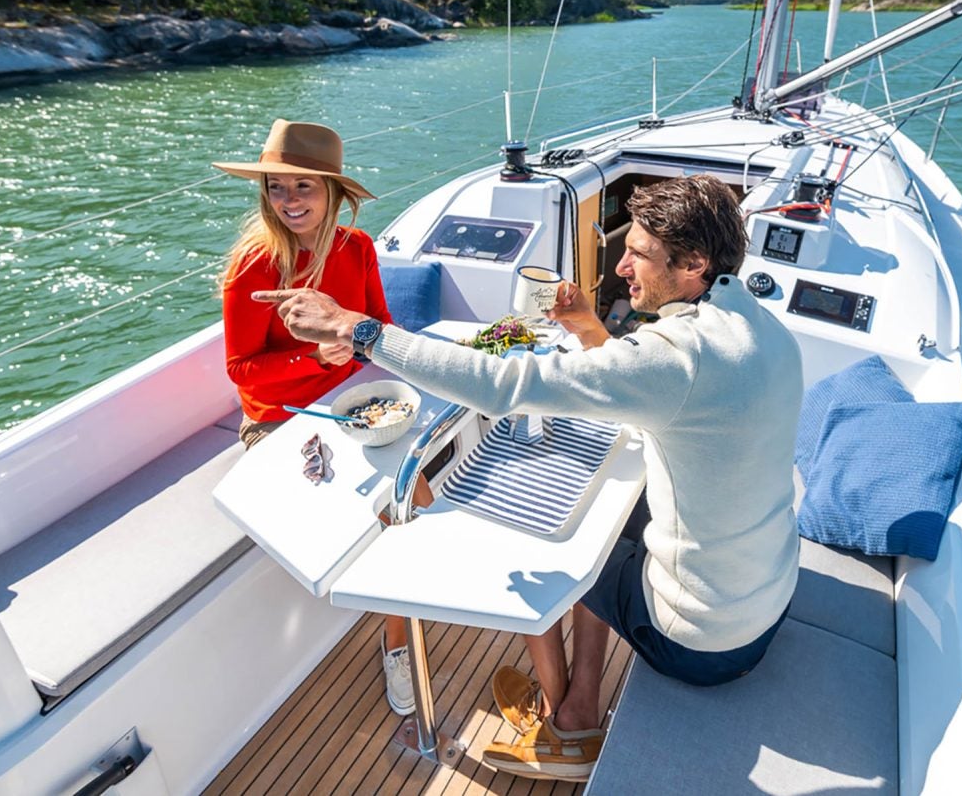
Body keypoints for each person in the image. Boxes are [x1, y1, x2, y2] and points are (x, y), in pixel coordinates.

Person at [255, 174, 803, 783]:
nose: (621, 265)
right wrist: (590, 329)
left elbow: (506, 386)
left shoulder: (678, 358)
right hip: (766, 600)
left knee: (547, 555)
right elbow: (652, 394)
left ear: (695, 263)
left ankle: (566, 721)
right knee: (614, 522)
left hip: (701, 644)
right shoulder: (756, 323)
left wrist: (356, 332)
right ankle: (578, 702)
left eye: (639, 254)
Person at [214, 118, 432, 719]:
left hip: (360, 402)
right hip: (281, 420)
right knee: (389, 509)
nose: (289, 202)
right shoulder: (251, 266)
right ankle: (398, 646)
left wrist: (360, 344)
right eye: (277, 189)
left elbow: (381, 330)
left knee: (415, 501)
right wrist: (311, 354)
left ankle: (395, 633)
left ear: (333, 193)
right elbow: (242, 372)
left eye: (303, 187)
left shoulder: (357, 248)